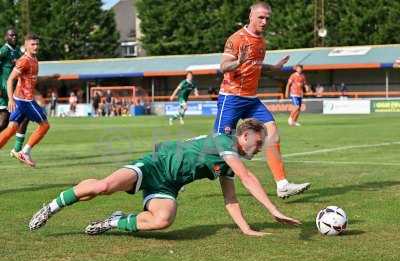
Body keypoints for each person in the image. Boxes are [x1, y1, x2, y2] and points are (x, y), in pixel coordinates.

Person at [29, 118, 301, 236]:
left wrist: (246, 228)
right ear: (244, 136)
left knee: (163, 219)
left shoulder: (230, 160)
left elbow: (230, 198)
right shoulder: (224, 142)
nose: (259, 147)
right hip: (153, 166)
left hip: (167, 185)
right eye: (257, 141)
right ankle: (53, 206)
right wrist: (272, 209)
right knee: (103, 186)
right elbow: (247, 177)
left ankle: (115, 221)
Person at [214, 2, 310, 198]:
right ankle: (181, 171)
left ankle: (282, 184)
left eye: (267, 18)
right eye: (261, 17)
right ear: (251, 16)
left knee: (272, 132)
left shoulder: (261, 42)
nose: (264, 21)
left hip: (251, 100)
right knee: (220, 146)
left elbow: (257, 66)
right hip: (231, 98)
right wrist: (238, 62)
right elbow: (224, 66)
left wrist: (273, 68)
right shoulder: (236, 39)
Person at [0, 33, 50, 167]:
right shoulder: (24, 61)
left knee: (11, 128)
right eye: (33, 44)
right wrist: (10, 99)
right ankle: (24, 152)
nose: (36, 46)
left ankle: (21, 151)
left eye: (37, 44)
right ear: (26, 45)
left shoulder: (34, 59)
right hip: (24, 100)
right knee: (45, 125)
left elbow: (31, 80)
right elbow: (10, 79)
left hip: (24, 98)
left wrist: (50, 78)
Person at [0, 28, 30, 158]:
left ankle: (17, 149)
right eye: (11, 35)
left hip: (16, 90)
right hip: (5, 90)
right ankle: (17, 149)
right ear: (5, 37)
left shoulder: (16, 50)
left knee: (24, 116)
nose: (14, 37)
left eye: (15, 35)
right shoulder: (4, 50)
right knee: (4, 122)